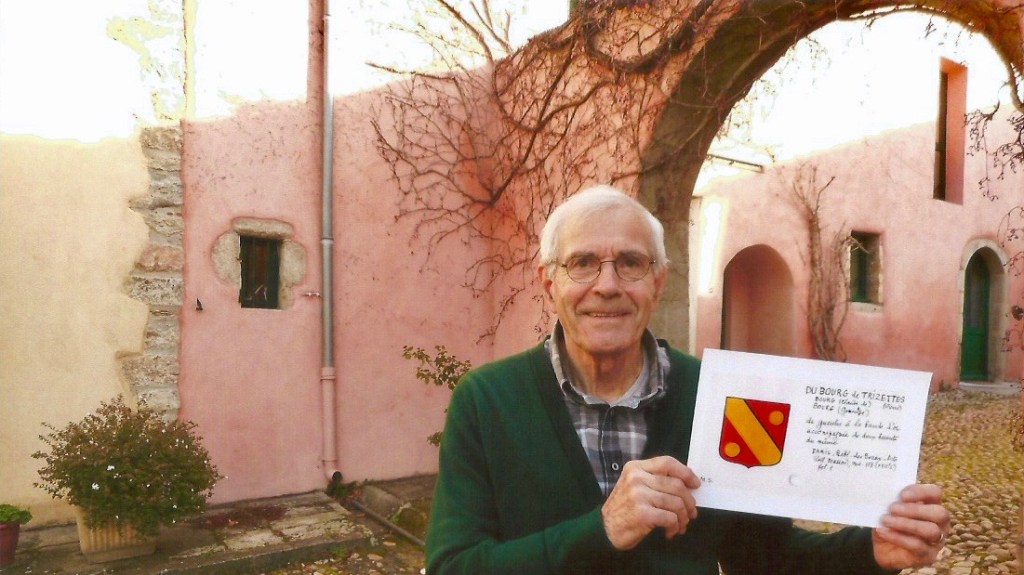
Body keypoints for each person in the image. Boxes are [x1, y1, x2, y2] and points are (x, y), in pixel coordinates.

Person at [425, 184, 950, 574]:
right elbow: (454, 567)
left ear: (658, 281)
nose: (607, 285)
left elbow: (764, 557)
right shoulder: (486, 401)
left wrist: (870, 551)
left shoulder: (718, 398)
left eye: (630, 263)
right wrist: (603, 529)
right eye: (582, 263)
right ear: (549, 281)